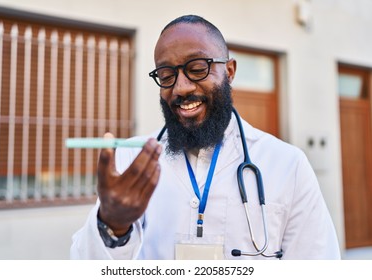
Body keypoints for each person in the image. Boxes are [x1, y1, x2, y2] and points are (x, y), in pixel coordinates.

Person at [70, 15, 341, 260]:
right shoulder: (131, 159)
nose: (181, 87)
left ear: (230, 71)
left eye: (197, 68)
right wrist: (113, 226)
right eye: (166, 75)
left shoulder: (287, 165)